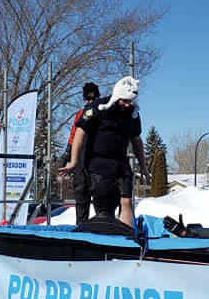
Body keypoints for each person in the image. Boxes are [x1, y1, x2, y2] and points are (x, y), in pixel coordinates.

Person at [61, 76, 149, 228]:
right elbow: (79, 134)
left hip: (120, 162)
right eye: (124, 101)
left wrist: (143, 166)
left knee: (126, 200)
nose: (127, 104)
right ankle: (97, 234)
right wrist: (74, 161)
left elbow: (136, 140)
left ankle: (126, 235)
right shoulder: (96, 108)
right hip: (98, 163)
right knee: (103, 203)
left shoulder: (133, 113)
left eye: (130, 101)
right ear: (117, 96)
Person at [61, 82, 100, 224]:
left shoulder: (102, 113)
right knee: (81, 198)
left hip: (97, 162)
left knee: (100, 199)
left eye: (93, 99)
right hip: (81, 163)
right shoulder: (80, 115)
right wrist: (67, 156)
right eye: (88, 99)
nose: (90, 102)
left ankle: (101, 227)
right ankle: (81, 227)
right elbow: (73, 136)